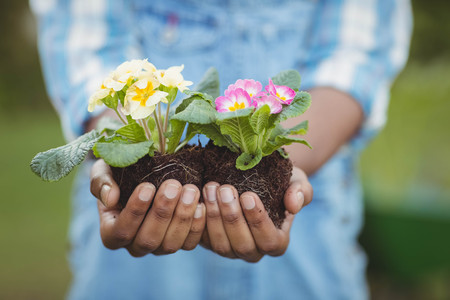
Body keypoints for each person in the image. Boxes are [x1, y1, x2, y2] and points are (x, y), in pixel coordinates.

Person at [30, 0, 412, 299]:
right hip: (133, 252)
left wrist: (273, 171)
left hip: (309, 235)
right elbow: (87, 47)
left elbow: (354, 57)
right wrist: (117, 146)